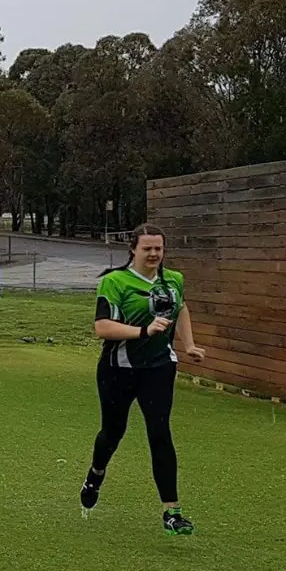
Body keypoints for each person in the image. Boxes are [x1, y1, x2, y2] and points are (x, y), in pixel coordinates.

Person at [83, 223, 205, 536]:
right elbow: (102, 327)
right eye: (147, 248)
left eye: (158, 249)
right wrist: (142, 331)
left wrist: (189, 344)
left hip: (160, 367)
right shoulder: (115, 282)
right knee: (113, 432)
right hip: (118, 369)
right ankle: (95, 474)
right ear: (133, 250)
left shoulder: (174, 280)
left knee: (160, 432)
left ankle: (172, 512)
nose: (153, 254)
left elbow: (183, 309)